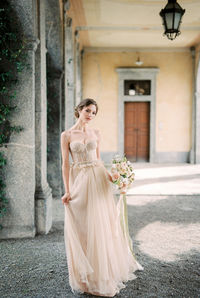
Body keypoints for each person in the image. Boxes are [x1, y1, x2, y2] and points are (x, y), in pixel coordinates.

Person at [60, 98, 143, 297]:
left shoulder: (96, 133)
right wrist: (67, 190)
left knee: (101, 226)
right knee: (83, 227)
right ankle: (84, 275)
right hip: (79, 181)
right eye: (88, 110)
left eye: (94, 112)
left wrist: (115, 178)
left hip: (98, 181)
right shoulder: (67, 135)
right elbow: (65, 163)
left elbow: (98, 161)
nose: (91, 115)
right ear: (79, 110)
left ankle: (101, 275)